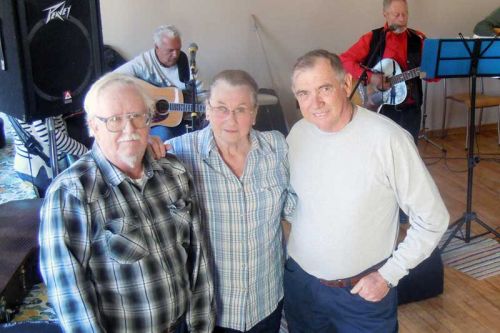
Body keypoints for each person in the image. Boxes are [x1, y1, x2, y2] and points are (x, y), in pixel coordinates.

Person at [283, 50, 449, 332]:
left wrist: (388, 275)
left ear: (346, 85)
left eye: (324, 89)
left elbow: (433, 219)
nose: (316, 103)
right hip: (302, 288)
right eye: (304, 94)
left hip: (362, 294)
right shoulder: (298, 133)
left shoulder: (388, 139)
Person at [39, 73, 215, 333]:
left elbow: (198, 260)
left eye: (137, 116)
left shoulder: (175, 173)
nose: (129, 129)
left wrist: (202, 327)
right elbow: (71, 301)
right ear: (93, 126)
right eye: (114, 120)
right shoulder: (71, 193)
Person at [167, 70, 296, 333]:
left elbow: (290, 217)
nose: (230, 119)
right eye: (222, 108)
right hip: (209, 312)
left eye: (241, 109)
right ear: (207, 109)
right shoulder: (178, 153)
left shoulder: (277, 148)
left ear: (255, 113)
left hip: (267, 301)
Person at [340, 0, 425, 144]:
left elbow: (429, 73)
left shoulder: (418, 39)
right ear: (385, 14)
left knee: (410, 154)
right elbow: (344, 60)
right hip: (381, 108)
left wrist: (435, 72)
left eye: (405, 14)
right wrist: (371, 77)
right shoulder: (373, 38)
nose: (402, 19)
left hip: (411, 109)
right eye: (396, 14)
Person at [114, 24, 204, 141]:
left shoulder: (188, 67)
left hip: (182, 120)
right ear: (157, 47)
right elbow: (112, 79)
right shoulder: (144, 63)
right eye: (170, 50)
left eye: (178, 49)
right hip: (151, 124)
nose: (175, 54)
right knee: (164, 135)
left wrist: (208, 109)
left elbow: (202, 95)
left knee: (199, 136)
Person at [11, 115, 88, 197]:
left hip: (25, 163)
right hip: (42, 169)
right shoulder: (38, 102)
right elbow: (47, 134)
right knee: (63, 201)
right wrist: (84, 151)